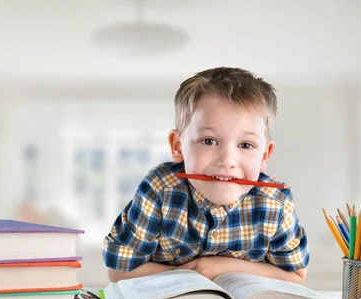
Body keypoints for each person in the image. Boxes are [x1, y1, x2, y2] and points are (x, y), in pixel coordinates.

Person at [102, 67, 308, 284]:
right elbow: (119, 271)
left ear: (264, 155)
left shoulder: (275, 202)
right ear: (178, 147)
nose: (227, 160)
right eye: (209, 141)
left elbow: (296, 276)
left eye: (245, 145)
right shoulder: (160, 188)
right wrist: (192, 275)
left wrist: (225, 268)